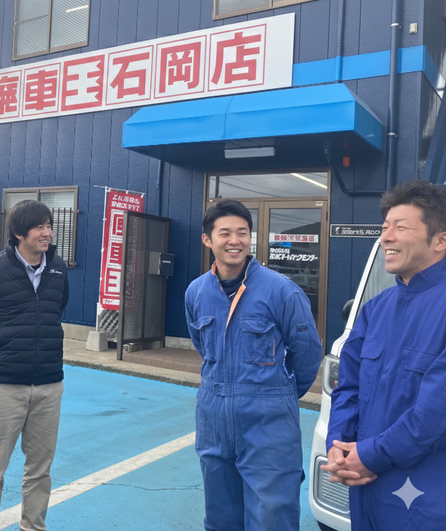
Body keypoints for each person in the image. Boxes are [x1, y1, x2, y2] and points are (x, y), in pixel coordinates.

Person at [184, 199, 322, 531]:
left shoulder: (282, 291)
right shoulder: (196, 292)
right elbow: (202, 345)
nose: (235, 241)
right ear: (207, 239)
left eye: (242, 232)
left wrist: (277, 395)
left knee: (271, 515)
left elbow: (307, 354)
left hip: (268, 421)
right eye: (225, 233)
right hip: (213, 417)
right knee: (221, 516)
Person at [324, 180, 446, 530]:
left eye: (400, 227)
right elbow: (348, 386)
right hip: (365, 484)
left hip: (426, 496)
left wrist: (369, 456)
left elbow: (434, 414)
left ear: (440, 240)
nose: (385, 238)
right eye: (384, 228)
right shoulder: (374, 309)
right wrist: (338, 446)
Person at [0, 199, 69, 531]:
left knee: (40, 470)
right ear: (19, 233)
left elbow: (57, 310)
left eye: (49, 225)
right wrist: (5, 352)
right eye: (39, 227)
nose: (47, 232)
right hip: (5, 386)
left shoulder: (58, 269)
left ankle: (33, 526)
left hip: (49, 384)